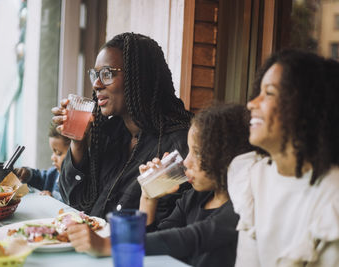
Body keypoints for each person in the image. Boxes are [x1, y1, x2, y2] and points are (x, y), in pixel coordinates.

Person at [66, 104, 253, 267]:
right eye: (189, 152)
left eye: (198, 153)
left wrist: (109, 246)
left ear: (226, 157)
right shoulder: (193, 198)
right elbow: (156, 244)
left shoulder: (241, 209)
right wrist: (148, 197)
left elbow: (189, 238)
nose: (186, 162)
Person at [52, 33, 192, 221]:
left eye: (107, 74)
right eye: (95, 75)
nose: (96, 84)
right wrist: (78, 143)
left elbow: (166, 225)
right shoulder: (110, 135)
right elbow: (75, 202)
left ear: (139, 77)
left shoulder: (177, 146)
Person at [228, 50, 339, 266]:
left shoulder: (332, 199)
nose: (251, 103)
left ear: (306, 107)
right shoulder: (254, 176)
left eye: (269, 93)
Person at [14, 123, 70, 202]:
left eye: (58, 153)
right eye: (53, 152)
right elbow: (41, 178)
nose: (52, 157)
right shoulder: (54, 174)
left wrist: (53, 202)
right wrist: (28, 174)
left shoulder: (81, 187)